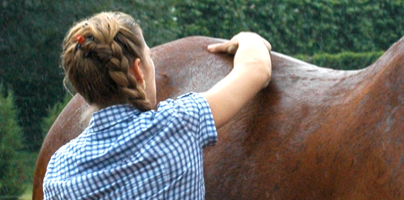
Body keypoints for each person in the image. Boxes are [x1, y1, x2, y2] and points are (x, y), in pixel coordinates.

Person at [42, 11, 272, 199]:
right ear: (137, 71)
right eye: (150, 58)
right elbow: (257, 69)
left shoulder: (58, 171)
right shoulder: (179, 123)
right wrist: (248, 38)